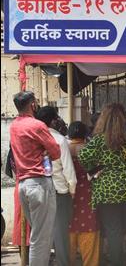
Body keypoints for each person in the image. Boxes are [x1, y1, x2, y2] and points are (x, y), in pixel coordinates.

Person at [78, 103, 126, 266]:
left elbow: (83, 157)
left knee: (113, 231)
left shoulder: (98, 141)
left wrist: (97, 169)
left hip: (107, 191)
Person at [9, 91, 61, 266]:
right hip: (39, 183)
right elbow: (56, 152)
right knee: (41, 239)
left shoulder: (14, 126)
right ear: (32, 105)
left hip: (23, 184)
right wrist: (43, 151)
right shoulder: (37, 125)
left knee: (37, 235)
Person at [36, 106, 77, 266]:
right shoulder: (60, 140)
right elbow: (68, 170)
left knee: (41, 233)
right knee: (60, 234)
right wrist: (72, 190)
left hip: (38, 190)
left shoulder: (33, 139)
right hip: (59, 192)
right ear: (53, 120)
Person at [67, 122, 100, 266]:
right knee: (89, 230)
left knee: (68, 232)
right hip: (88, 196)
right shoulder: (90, 149)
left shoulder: (63, 148)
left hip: (68, 196)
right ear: (85, 134)